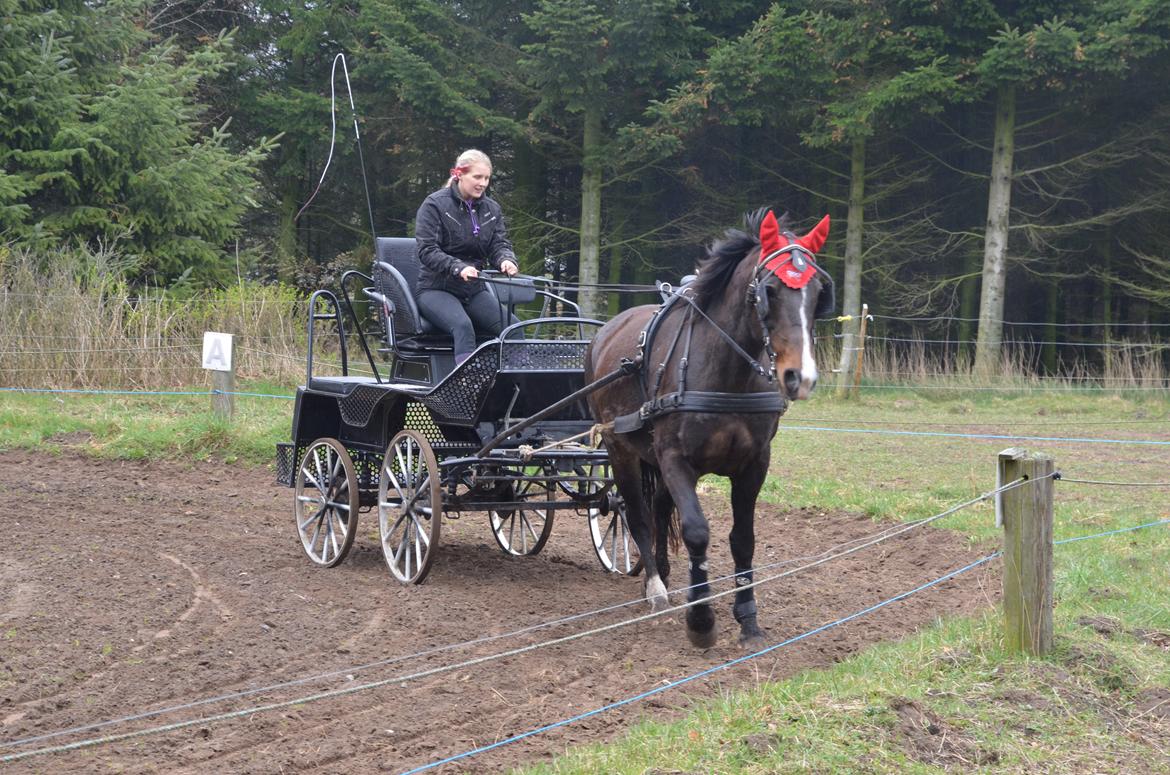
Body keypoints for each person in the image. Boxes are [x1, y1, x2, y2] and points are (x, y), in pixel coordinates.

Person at [414, 149, 520, 364]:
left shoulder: (492, 209)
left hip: (473, 290)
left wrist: (506, 259)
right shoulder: (434, 204)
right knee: (463, 326)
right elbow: (427, 250)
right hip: (436, 288)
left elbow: (499, 244)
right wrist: (457, 267)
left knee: (514, 329)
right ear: (459, 174)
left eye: (487, 178)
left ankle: (519, 383)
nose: (483, 183)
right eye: (477, 177)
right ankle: (467, 386)